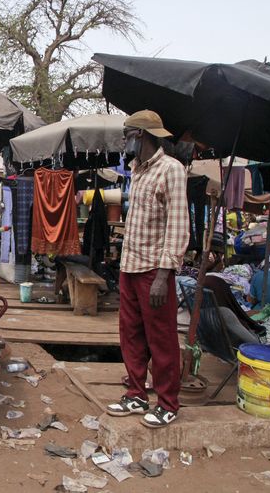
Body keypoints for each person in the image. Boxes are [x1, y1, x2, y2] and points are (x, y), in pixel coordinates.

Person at [107, 110, 189, 428]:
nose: (124, 140)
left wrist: (164, 275)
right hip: (130, 266)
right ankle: (137, 394)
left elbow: (179, 226)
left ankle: (168, 403)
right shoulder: (137, 170)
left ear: (140, 135)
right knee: (131, 334)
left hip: (155, 271)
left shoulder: (171, 169)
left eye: (127, 134)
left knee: (162, 338)